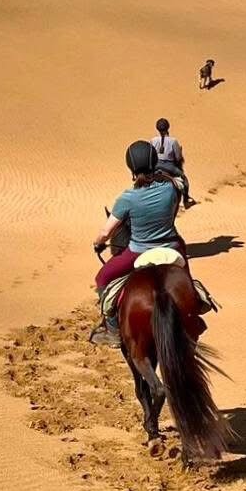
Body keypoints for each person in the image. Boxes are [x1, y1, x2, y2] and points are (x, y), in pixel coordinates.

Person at [89, 140, 186, 346]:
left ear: (131, 168)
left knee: (102, 277)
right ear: (153, 163)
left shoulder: (127, 199)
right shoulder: (169, 190)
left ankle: (113, 330)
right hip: (171, 245)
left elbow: (106, 232)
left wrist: (97, 243)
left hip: (138, 251)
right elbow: (175, 187)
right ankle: (198, 297)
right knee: (184, 270)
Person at [152, 117, 193, 209]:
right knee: (184, 179)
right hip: (169, 166)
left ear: (157, 128)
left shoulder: (153, 140)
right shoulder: (173, 141)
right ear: (168, 127)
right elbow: (178, 158)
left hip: (155, 166)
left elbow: (151, 154)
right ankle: (186, 200)